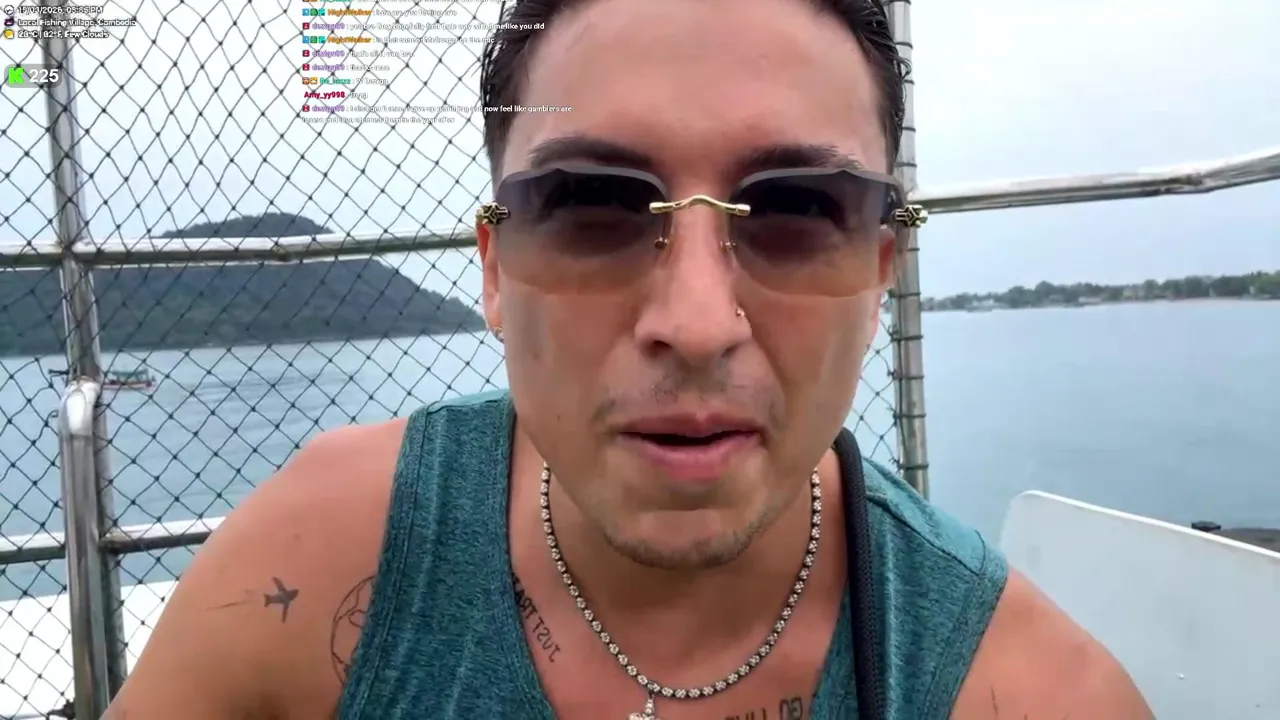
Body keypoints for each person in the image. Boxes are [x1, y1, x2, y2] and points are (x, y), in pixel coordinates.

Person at [104, 0, 1155, 717]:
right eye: (589, 205)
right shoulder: (326, 552)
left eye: (796, 209)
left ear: (879, 274)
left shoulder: (1023, 691)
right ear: (496, 272)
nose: (695, 324)